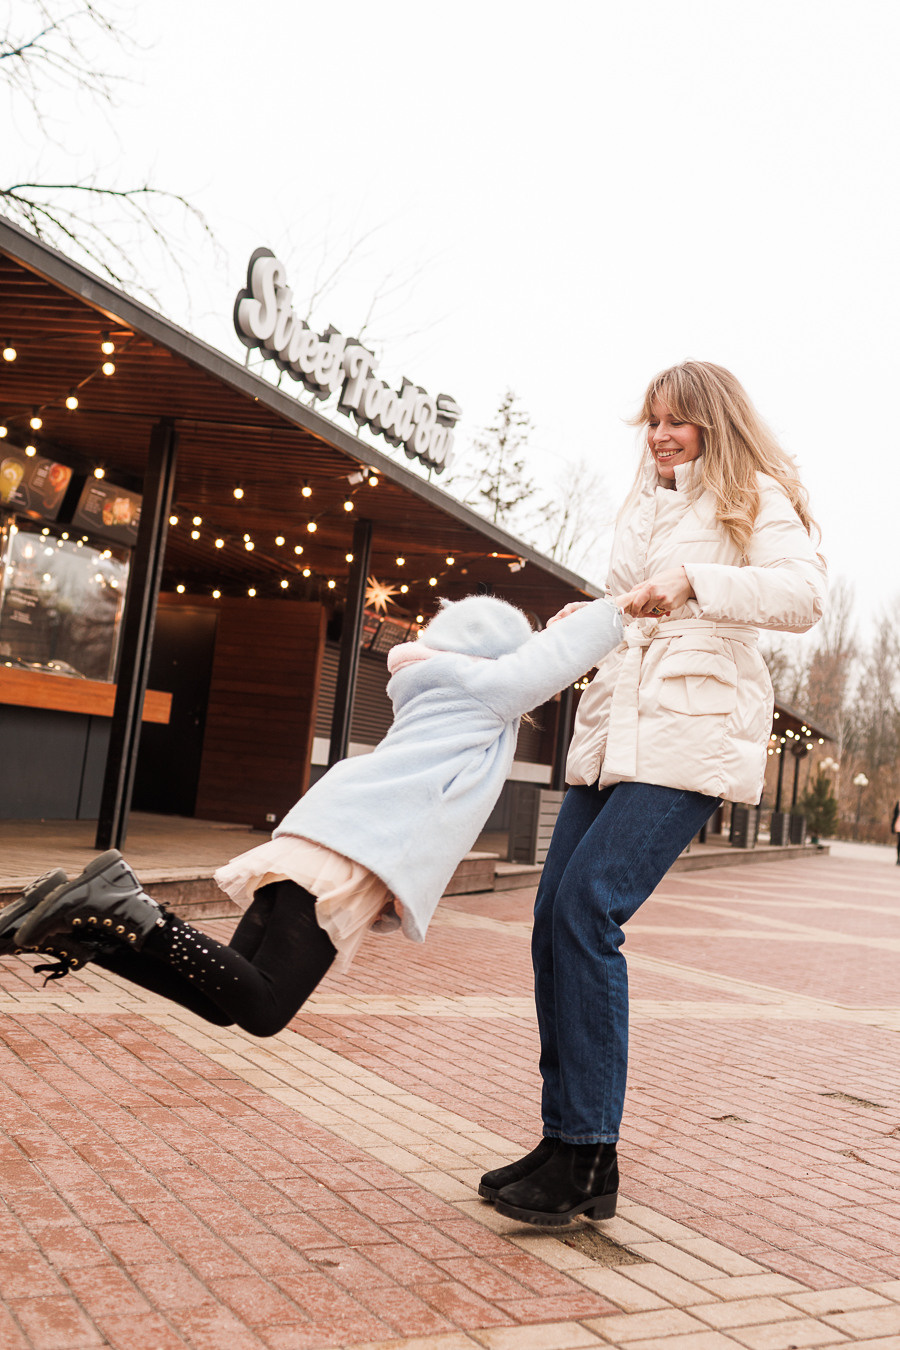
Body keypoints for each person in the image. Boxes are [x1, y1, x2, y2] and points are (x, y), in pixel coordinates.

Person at [479, 360, 827, 1227]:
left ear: (714, 423)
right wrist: (590, 619)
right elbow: (633, 608)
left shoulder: (752, 495)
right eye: (653, 421)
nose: (662, 435)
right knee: (551, 914)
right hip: (617, 735)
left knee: (588, 909)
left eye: (678, 421)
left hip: (692, 737)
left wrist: (695, 581)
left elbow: (804, 593)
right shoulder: (646, 503)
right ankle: (567, 1140)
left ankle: (591, 1150)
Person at [4, 593, 624, 1034]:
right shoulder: (483, 692)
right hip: (354, 853)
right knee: (268, 1007)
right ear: (500, 660)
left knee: (229, 1002)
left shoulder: (438, 688)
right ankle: (128, 907)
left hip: (328, 834)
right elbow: (555, 662)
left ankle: (89, 926)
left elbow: (541, 662)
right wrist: (626, 605)